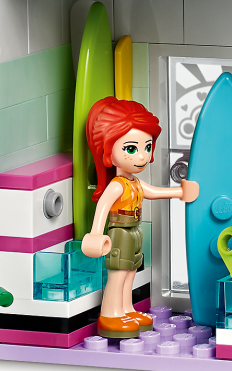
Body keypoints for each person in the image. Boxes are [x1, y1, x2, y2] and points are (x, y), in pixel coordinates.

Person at [81, 97, 198, 340]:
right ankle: (110, 315)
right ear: (108, 151)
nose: (142, 156)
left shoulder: (133, 182)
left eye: (147, 147)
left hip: (134, 231)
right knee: (118, 274)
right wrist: (95, 234)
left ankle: (126, 310)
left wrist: (180, 193)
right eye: (131, 149)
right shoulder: (117, 185)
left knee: (130, 272)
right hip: (119, 232)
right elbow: (103, 207)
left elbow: (153, 192)